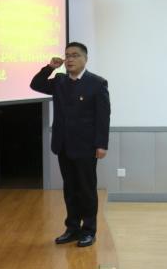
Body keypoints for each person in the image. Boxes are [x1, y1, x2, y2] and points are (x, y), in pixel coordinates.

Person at [30, 42, 111, 247]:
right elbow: (35, 84)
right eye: (67, 55)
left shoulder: (97, 83)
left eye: (75, 55)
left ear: (85, 59)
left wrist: (101, 144)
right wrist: (50, 67)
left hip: (86, 147)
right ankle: (72, 228)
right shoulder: (60, 81)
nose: (70, 59)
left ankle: (89, 230)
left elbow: (103, 117)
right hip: (63, 145)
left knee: (86, 189)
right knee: (70, 189)